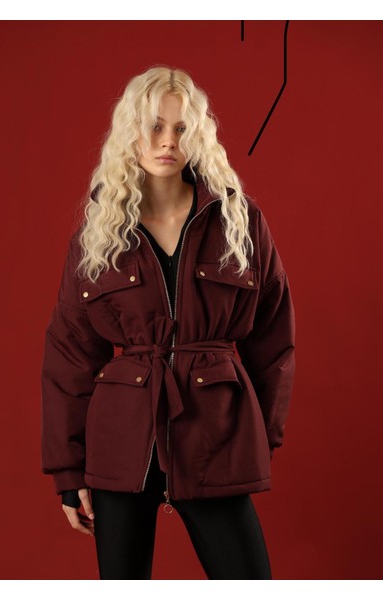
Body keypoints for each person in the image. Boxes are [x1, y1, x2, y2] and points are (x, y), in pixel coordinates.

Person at [40, 65, 296, 580]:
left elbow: (275, 343)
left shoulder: (240, 222)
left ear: (198, 135)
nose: (167, 141)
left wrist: (258, 435)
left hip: (217, 433)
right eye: (154, 126)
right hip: (120, 440)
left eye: (182, 128)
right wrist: (69, 470)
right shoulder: (98, 235)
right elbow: (69, 355)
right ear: (129, 132)